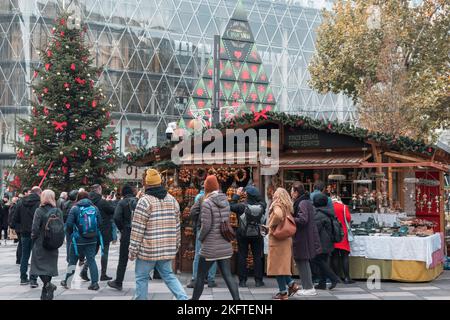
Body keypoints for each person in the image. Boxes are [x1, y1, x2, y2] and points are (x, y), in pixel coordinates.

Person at [129, 169, 187, 300]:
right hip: (166, 248)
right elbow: (177, 226)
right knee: (169, 276)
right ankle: (183, 299)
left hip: (148, 250)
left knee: (141, 278)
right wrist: (176, 244)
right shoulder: (172, 200)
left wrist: (132, 250)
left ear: (146, 184)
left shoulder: (144, 202)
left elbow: (137, 229)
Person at [191, 175, 240, 300]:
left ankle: (193, 300)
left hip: (210, 247)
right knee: (228, 275)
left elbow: (206, 226)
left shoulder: (207, 202)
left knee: (201, 276)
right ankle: (237, 300)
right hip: (224, 244)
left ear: (206, 187)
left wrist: (200, 238)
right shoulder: (225, 201)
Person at [62, 191, 102, 290]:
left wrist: (72, 234)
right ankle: (95, 283)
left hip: (77, 240)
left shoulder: (75, 208)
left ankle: (67, 282)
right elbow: (100, 223)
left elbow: (69, 225)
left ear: (77, 198)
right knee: (91, 260)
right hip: (92, 239)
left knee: (72, 261)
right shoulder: (94, 208)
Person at [230, 185, 266, 288]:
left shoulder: (241, 206)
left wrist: (237, 195)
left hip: (243, 234)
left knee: (242, 255)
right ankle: (258, 281)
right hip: (257, 234)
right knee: (257, 257)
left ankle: (242, 281)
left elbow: (230, 205)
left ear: (247, 195)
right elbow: (263, 201)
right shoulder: (261, 206)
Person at [266, 187, 299, 300]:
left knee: (278, 268)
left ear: (277, 195)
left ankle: (283, 293)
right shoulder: (287, 206)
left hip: (277, 239)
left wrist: (270, 225)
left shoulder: (277, 204)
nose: (273, 195)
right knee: (283, 266)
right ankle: (292, 284)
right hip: (285, 239)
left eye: (275, 193)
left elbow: (278, 215)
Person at [30, 189, 63, 300]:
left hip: (41, 243)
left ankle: (48, 286)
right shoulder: (58, 211)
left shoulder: (39, 211)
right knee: (49, 267)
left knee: (38, 267)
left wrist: (33, 238)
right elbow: (61, 226)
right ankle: (45, 293)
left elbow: (34, 228)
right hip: (54, 243)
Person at [291, 182, 321, 296]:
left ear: (296, 192)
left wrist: (291, 218)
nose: (291, 193)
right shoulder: (306, 201)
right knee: (302, 261)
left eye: (292, 191)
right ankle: (307, 286)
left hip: (303, 237)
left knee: (302, 261)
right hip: (304, 236)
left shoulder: (302, 202)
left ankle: (308, 287)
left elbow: (303, 219)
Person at [107, 184, 138, 291]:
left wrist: (122, 229)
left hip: (127, 232)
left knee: (123, 258)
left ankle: (118, 282)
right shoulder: (139, 201)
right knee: (142, 257)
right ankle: (144, 279)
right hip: (139, 232)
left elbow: (116, 217)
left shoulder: (122, 202)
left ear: (124, 193)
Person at [82, 184, 115, 281]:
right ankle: (103, 274)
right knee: (104, 252)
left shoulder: (88, 201)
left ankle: (84, 270)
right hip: (104, 230)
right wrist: (111, 202)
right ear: (99, 190)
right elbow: (112, 211)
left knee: (92, 252)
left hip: (91, 229)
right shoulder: (102, 201)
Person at [187, 186, 218, 288]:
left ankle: (195, 278)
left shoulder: (200, 198)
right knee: (213, 254)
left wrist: (197, 221)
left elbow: (192, 212)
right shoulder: (220, 198)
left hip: (202, 228)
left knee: (198, 254)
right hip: (214, 230)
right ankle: (211, 280)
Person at [311, 193, 341, 290]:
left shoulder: (318, 214)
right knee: (323, 261)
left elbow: (314, 230)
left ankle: (334, 278)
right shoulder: (328, 211)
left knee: (317, 260)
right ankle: (322, 283)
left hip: (322, 243)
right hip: (329, 242)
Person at [14, 186, 42, 287]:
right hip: (36, 233)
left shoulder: (20, 202)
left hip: (24, 232)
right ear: (39, 193)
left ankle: (23, 278)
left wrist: (20, 228)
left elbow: (15, 219)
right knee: (36, 256)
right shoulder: (39, 203)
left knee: (25, 256)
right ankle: (33, 279)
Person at [331, 196, 355, 284]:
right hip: (343, 233)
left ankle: (337, 277)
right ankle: (347, 277)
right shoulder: (344, 207)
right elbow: (348, 218)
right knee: (345, 256)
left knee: (335, 256)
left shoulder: (330, 207)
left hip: (333, 233)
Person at [8, 195, 21, 263]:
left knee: (20, 243)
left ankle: (19, 259)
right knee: (21, 244)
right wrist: (12, 225)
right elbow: (13, 217)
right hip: (18, 227)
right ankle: (18, 259)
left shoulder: (13, 206)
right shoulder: (14, 206)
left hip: (17, 226)